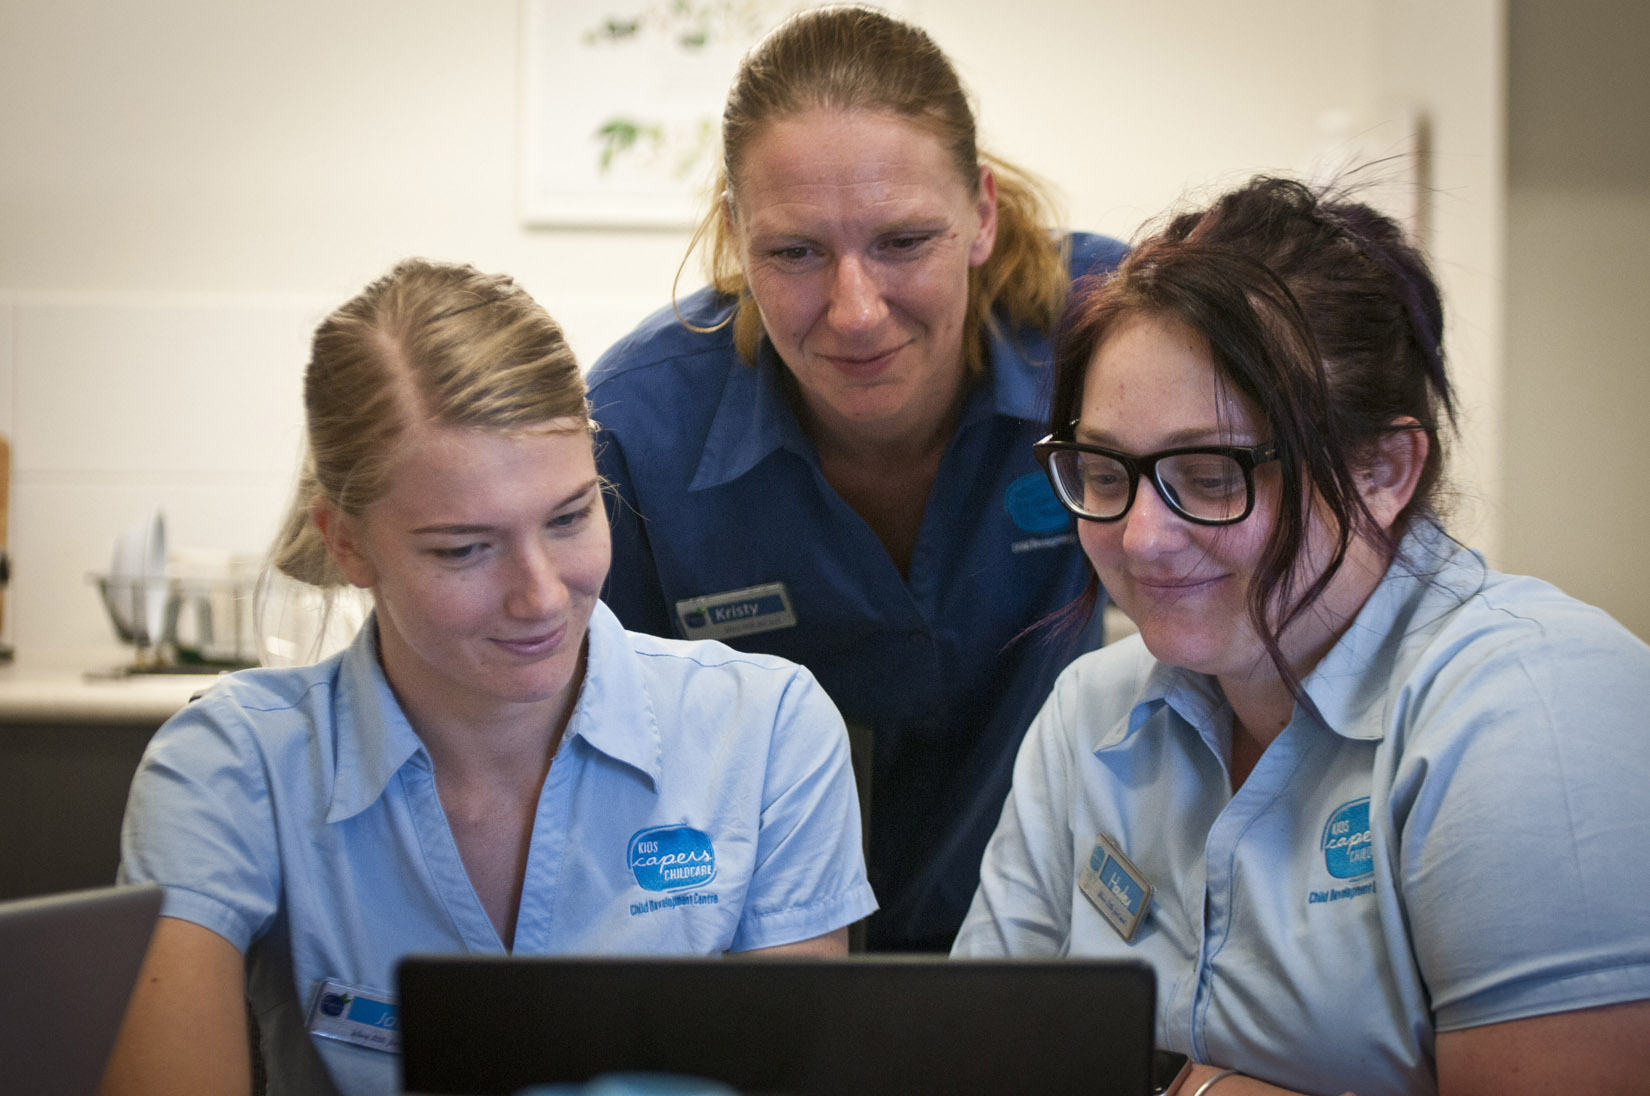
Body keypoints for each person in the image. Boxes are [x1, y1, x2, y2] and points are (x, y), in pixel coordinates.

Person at [100, 259, 876, 1096]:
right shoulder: (232, 765)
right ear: (348, 542)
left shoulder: (764, 730)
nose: (541, 596)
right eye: (464, 549)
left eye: (571, 516)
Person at [951, 174, 1650, 1095]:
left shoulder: (1532, 710)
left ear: (1386, 470)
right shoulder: (1095, 710)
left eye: (1211, 474)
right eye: (1105, 468)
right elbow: (966, 1066)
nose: (1141, 537)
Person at [586, 4, 1127, 953]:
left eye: (903, 241)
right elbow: (587, 759)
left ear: (982, 214)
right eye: (794, 252)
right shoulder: (639, 435)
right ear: (735, 239)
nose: (856, 311)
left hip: (1048, 961)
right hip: (751, 977)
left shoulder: (1107, 344)